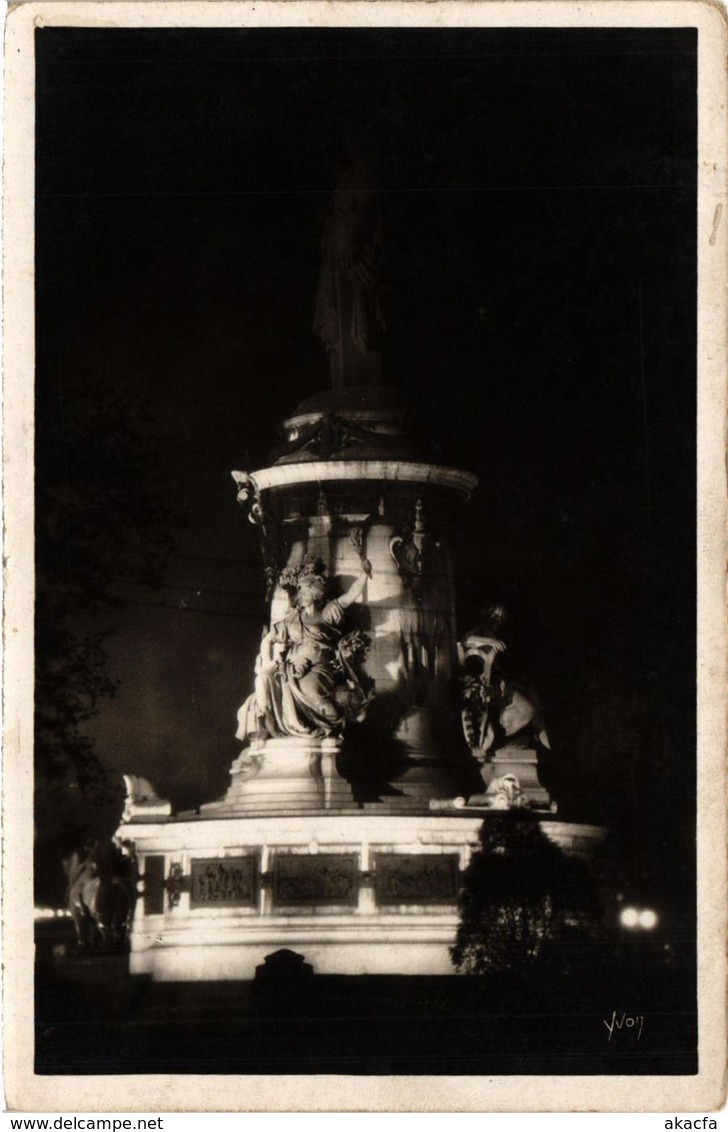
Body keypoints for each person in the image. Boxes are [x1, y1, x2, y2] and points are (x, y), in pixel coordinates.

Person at [238, 560, 372, 742]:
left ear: (315, 593)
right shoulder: (293, 617)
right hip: (291, 666)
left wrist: (364, 574)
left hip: (318, 667)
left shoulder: (327, 612)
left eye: (303, 590)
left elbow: (349, 596)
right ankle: (275, 726)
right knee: (267, 684)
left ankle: (333, 724)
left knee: (312, 692)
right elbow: (268, 639)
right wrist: (268, 660)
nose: (299, 594)